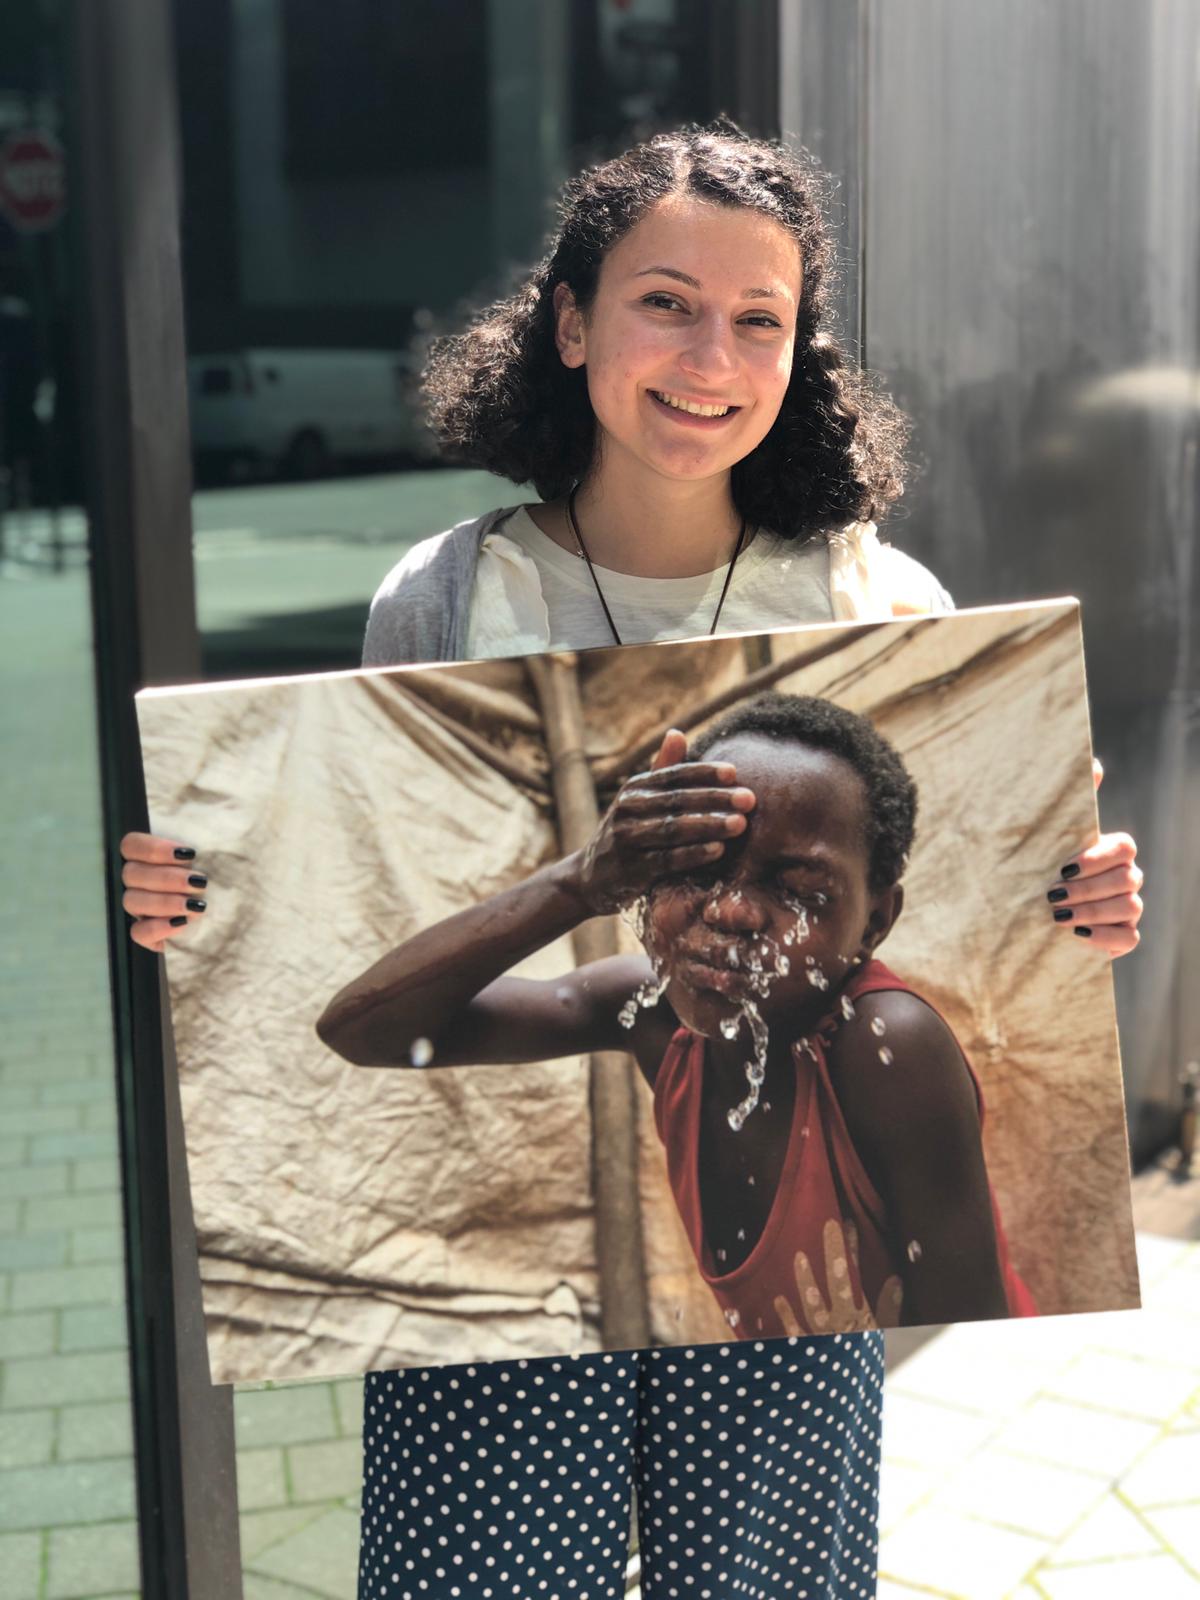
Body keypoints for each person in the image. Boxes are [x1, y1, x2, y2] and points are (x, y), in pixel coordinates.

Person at [121, 123, 1143, 1599]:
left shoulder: (876, 593)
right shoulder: (450, 593)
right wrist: (197, 893)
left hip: (782, 1352)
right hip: (499, 1341)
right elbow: (348, 993)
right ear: (572, 319)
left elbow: (1018, 954)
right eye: (666, 299)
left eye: (759, 319)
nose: (709, 354)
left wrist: (1081, 910)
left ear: (801, 349)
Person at [316, 690, 1038, 1339]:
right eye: (698, 868)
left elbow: (973, 1349)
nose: (728, 910)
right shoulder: (649, 1015)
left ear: (876, 922)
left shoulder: (884, 1047)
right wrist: (578, 881)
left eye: (798, 891)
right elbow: (362, 1030)